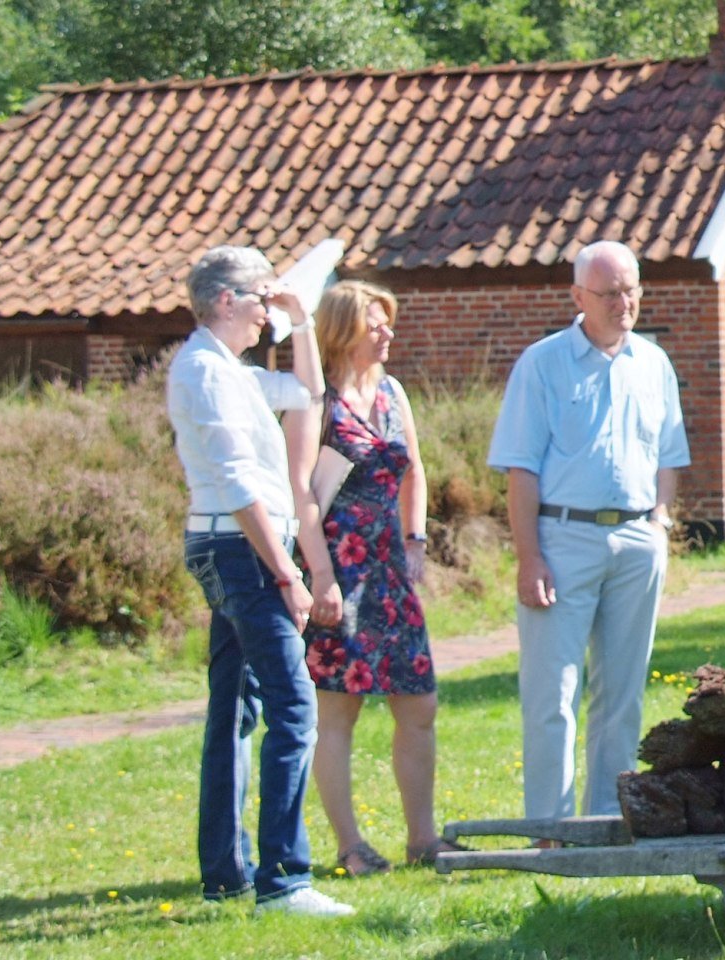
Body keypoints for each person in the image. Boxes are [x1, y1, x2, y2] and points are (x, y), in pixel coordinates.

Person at [167, 245, 353, 917]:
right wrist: (286, 574)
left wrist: (300, 325)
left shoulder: (231, 370)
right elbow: (239, 484)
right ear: (225, 301)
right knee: (294, 708)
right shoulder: (206, 372)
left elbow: (307, 394)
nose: (264, 309)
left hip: (237, 545)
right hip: (241, 548)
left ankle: (226, 871)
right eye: (259, 298)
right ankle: (284, 880)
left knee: (236, 709)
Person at [487, 240, 690, 822]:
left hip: (635, 542)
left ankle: (607, 817)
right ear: (578, 297)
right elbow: (520, 468)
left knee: (622, 694)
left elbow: (668, 455)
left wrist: (660, 523)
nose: (623, 303)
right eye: (609, 293)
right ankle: (550, 828)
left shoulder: (653, 364)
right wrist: (530, 558)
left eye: (631, 290)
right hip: (561, 539)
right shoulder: (543, 364)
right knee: (553, 695)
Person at [287, 280, 458, 873]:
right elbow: (303, 493)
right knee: (339, 712)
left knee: (419, 705)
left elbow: (414, 474)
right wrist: (321, 578)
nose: (388, 333)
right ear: (342, 331)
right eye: (375, 324)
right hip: (339, 567)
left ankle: (422, 838)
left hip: (390, 568)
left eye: (388, 322)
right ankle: (350, 846)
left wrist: (416, 540)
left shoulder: (392, 392)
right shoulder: (316, 401)